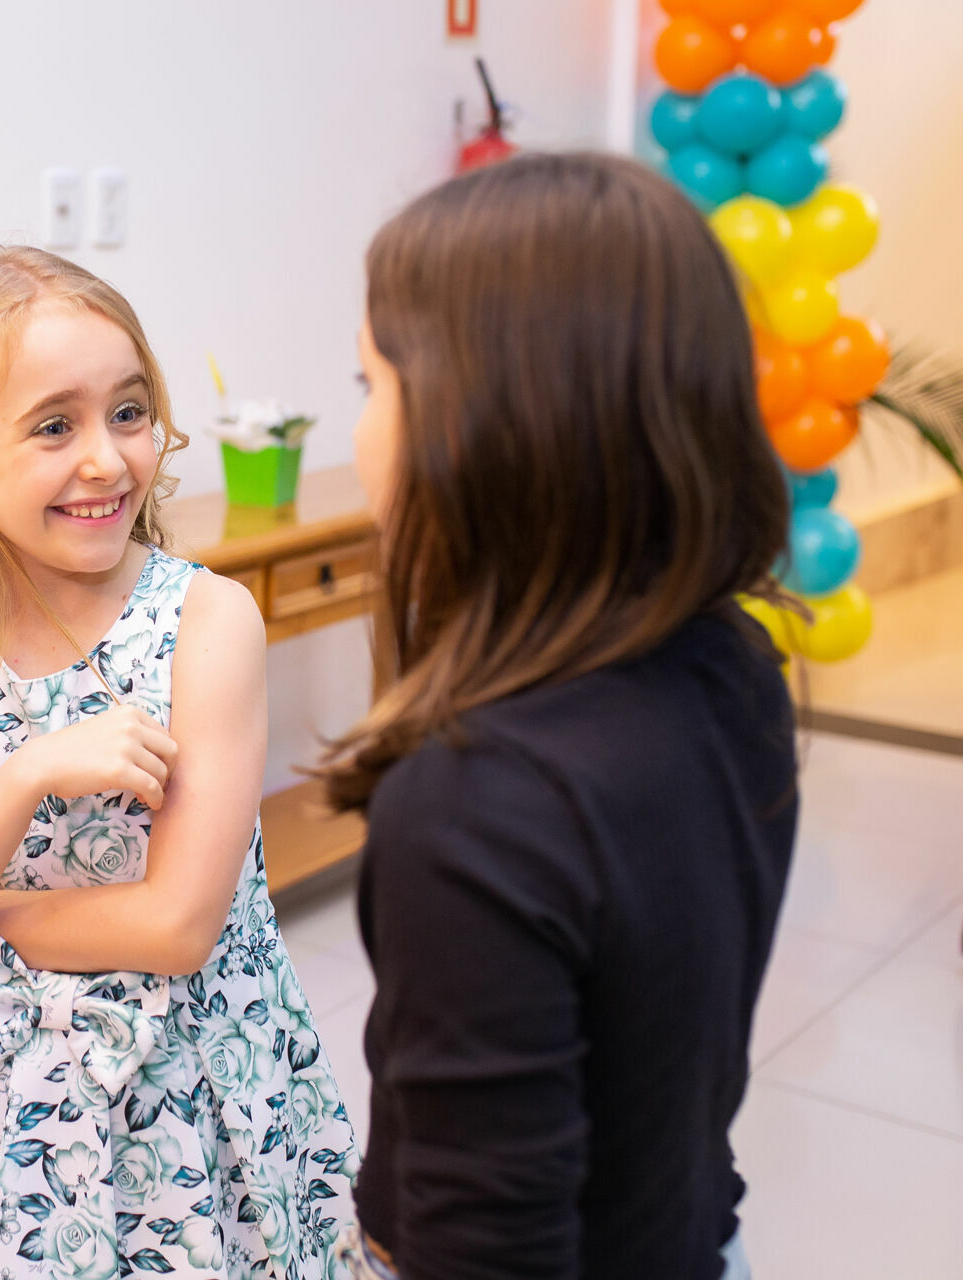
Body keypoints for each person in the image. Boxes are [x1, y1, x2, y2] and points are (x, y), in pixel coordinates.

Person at [324, 152, 797, 1280]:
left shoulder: (472, 805)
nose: (361, 435)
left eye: (369, 388)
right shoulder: (731, 659)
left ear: (479, 421)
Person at [0, 247, 359, 1278]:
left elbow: (174, 924)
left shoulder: (208, 621)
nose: (106, 459)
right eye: (53, 425)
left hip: (190, 1096)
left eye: (128, 413)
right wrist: (27, 775)